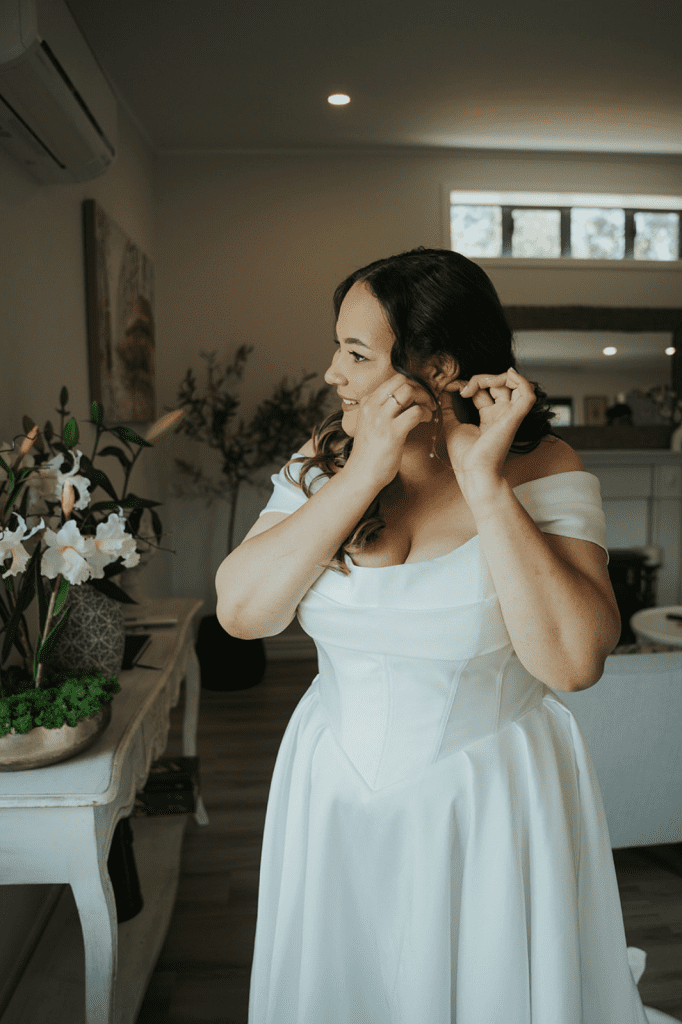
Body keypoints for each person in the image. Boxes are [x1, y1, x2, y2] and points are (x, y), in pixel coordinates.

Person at [215, 248, 671, 1023]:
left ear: (438, 368)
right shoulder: (324, 459)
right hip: (332, 791)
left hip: (486, 799)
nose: (332, 372)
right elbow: (242, 614)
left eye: (356, 353)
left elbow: (572, 662)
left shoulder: (544, 466)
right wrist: (362, 473)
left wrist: (484, 482)